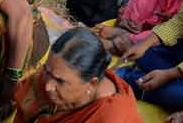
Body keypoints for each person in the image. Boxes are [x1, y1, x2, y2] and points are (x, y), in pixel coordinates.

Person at [13, 28, 142, 123]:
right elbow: (24, 108)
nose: (48, 86)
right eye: (47, 71)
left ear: (92, 83)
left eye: (59, 81)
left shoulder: (111, 117)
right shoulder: (56, 71)